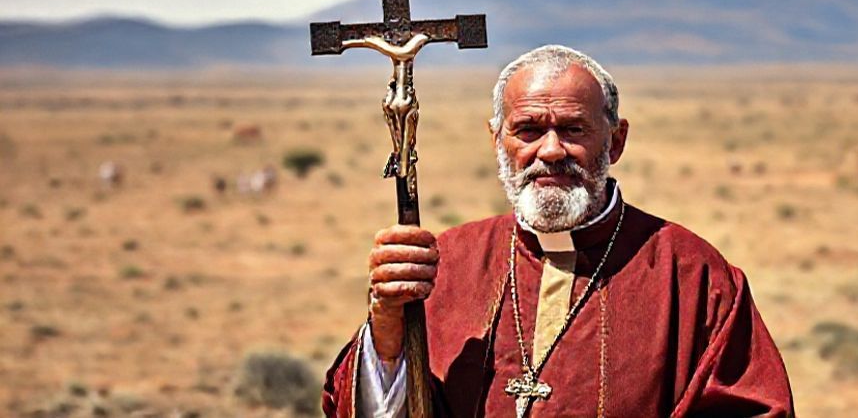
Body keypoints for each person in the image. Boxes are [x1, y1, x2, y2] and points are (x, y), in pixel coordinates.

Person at [323, 45, 795, 417]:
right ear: (497, 141)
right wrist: (386, 329)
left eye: (573, 128)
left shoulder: (692, 274)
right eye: (527, 129)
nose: (550, 151)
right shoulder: (449, 260)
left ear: (616, 139)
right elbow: (369, 407)